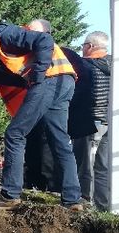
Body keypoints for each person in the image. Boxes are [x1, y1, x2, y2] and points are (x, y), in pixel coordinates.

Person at [0, 22, 82, 211]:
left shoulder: (5, 39)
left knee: (15, 134)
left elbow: (45, 39)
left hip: (49, 80)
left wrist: (38, 77)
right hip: (65, 81)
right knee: (59, 140)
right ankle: (72, 200)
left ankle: (9, 195)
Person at [22, 19, 96, 197]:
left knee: (78, 163)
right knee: (41, 154)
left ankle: (76, 196)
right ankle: (39, 189)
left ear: (46, 35)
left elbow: (83, 84)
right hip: (45, 116)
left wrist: (60, 105)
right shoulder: (31, 57)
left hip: (72, 116)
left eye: (34, 33)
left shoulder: (66, 55)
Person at [82, 31, 112, 211]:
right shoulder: (116, 65)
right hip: (109, 121)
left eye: (83, 45)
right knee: (103, 167)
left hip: (90, 120)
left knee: (85, 165)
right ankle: (103, 206)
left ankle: (86, 203)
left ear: (90, 46)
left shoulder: (86, 65)